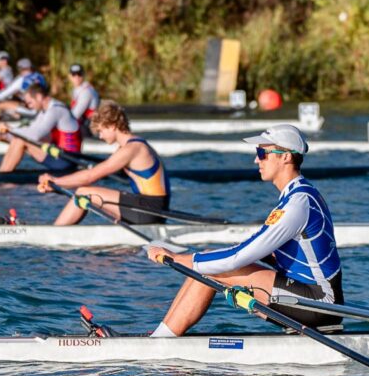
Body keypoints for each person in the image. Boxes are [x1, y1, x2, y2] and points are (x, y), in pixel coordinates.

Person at [143, 125, 341, 337]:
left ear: (285, 157)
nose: (257, 160)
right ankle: (160, 336)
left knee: (210, 267)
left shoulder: (297, 204)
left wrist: (177, 258)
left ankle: (160, 341)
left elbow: (238, 257)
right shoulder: (299, 194)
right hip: (309, 295)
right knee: (209, 262)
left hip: (319, 302)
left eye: (262, 153)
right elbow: (263, 251)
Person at [37, 102, 168, 225]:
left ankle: (55, 231)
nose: (100, 136)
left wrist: (56, 181)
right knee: (89, 191)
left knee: (83, 192)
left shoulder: (131, 149)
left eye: (101, 131)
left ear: (112, 126)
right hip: (151, 207)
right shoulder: (131, 145)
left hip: (150, 209)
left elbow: (90, 176)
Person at [0, 75, 81, 174]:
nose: (29, 106)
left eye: (30, 103)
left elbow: (36, 135)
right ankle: (2, 171)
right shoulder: (44, 111)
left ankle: (3, 175)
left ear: (39, 97)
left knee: (20, 140)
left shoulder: (56, 110)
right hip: (58, 156)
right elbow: (31, 130)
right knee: (18, 139)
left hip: (67, 160)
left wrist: (10, 129)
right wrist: (2, 136)